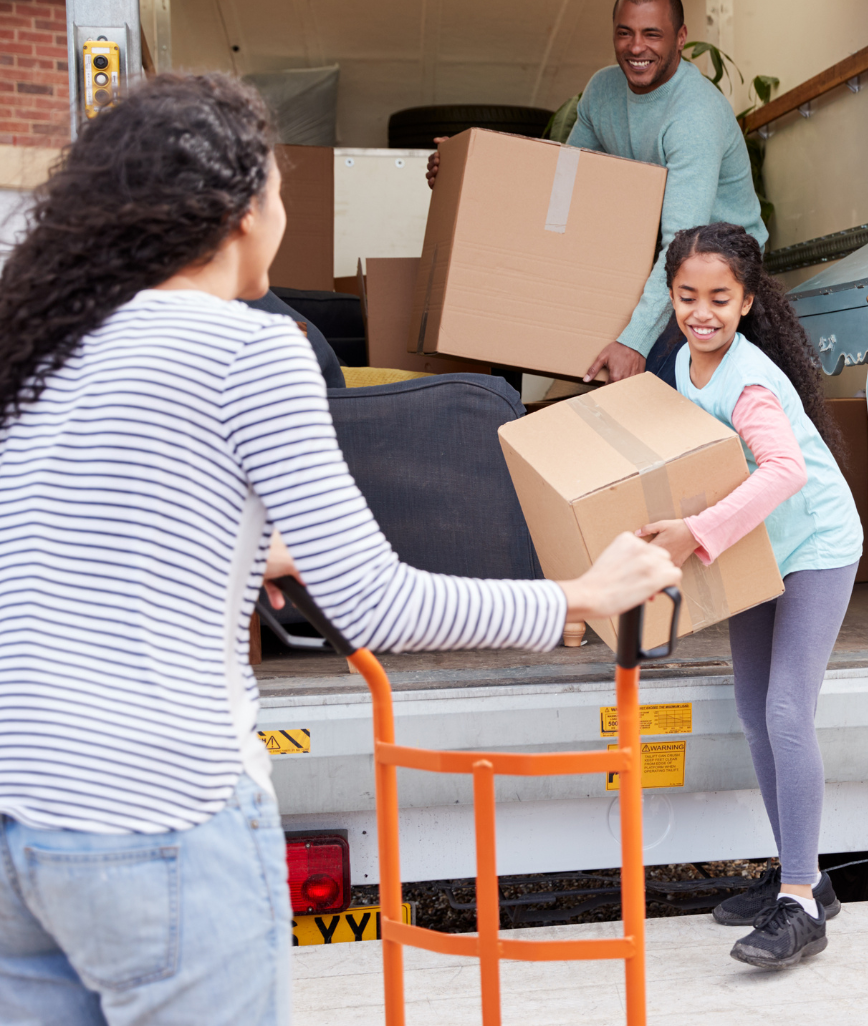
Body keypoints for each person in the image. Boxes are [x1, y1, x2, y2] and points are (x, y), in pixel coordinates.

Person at [0, 74, 680, 1026]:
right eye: (278, 188)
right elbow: (375, 603)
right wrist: (579, 595)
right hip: (162, 818)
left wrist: (246, 555)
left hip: (21, 822)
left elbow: (84, 540)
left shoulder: (38, 341)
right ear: (242, 211)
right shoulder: (251, 349)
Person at [637, 223, 861, 969]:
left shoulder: (751, 379)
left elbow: (784, 471)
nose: (702, 311)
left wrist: (695, 533)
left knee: (787, 711)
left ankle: (799, 902)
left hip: (816, 547)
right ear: (670, 297)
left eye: (720, 298)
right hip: (757, 545)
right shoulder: (681, 365)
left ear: (747, 301)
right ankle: (804, 876)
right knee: (751, 709)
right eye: (687, 296)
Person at [425, 0, 766, 388]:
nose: (636, 47)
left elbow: (683, 244)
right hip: (649, 262)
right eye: (625, 33)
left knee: (639, 383)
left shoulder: (693, 115)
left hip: (718, 273)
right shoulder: (602, 90)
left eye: (651, 34)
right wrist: (467, 174)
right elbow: (565, 181)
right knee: (540, 349)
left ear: (680, 38)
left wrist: (634, 342)